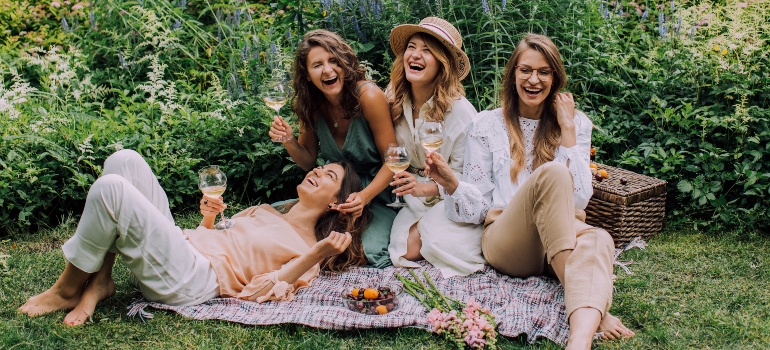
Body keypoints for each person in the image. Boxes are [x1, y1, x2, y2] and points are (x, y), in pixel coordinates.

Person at [425, 34, 634, 349]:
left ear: (555, 78)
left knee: (600, 238)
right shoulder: (486, 125)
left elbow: (580, 200)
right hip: (509, 241)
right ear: (512, 76)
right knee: (553, 173)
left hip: (560, 236)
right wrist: (452, 184)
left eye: (544, 72)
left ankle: (580, 340)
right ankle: (592, 301)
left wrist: (567, 131)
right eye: (525, 70)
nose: (534, 79)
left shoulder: (575, 124)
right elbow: (479, 208)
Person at [18, 149, 369, 326]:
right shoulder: (264, 211)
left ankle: (66, 290)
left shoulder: (309, 249)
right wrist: (209, 217)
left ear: (336, 202)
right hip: (183, 247)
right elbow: (213, 237)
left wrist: (319, 253)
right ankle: (100, 282)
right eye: (320, 167)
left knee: (112, 189)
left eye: (328, 175)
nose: (316, 171)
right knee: (124, 161)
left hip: (192, 280)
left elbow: (259, 292)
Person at [269, 29, 398, 268]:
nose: (328, 70)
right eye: (317, 65)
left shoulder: (368, 96)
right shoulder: (311, 105)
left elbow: (394, 161)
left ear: (345, 64)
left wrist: (364, 196)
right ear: (307, 75)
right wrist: (288, 140)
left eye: (334, 61)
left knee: (366, 250)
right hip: (334, 194)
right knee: (279, 222)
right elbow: (308, 161)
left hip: (377, 194)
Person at [384, 17, 484, 277]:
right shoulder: (394, 97)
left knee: (431, 243)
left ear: (443, 64)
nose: (416, 55)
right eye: (412, 47)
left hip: (449, 197)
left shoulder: (461, 112)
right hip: (411, 197)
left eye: (427, 51)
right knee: (404, 250)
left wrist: (426, 188)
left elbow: (469, 179)